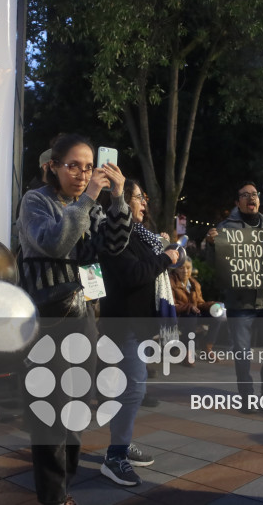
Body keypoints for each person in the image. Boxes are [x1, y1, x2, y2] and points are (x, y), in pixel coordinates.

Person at [17, 133, 130, 505]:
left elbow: (113, 246)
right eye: (73, 166)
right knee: (50, 410)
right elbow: (54, 243)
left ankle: (63, 484)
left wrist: (118, 197)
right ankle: (53, 496)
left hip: (82, 317)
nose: (82, 174)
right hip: (47, 320)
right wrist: (88, 200)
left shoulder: (91, 204)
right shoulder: (36, 201)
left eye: (88, 166)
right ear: (53, 166)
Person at [98, 179, 178, 486]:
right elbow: (133, 274)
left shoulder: (143, 235)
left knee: (126, 389)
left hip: (139, 322)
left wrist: (169, 255)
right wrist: (165, 259)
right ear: (120, 201)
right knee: (134, 389)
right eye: (138, 197)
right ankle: (115, 456)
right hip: (122, 323)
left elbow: (151, 267)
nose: (144, 203)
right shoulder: (115, 233)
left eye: (144, 198)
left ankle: (122, 441)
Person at [205, 181, 263, 414]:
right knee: (242, 352)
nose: (252, 198)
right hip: (239, 302)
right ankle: (247, 396)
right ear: (237, 202)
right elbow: (214, 266)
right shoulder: (225, 228)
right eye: (246, 195)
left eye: (255, 194)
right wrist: (211, 245)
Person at [169, 255, 221, 354]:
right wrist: (189, 306)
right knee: (191, 316)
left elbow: (200, 303)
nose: (185, 271)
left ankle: (207, 346)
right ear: (175, 269)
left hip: (193, 314)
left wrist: (213, 305)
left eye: (188, 268)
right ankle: (188, 351)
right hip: (178, 316)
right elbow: (171, 306)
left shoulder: (194, 283)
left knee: (216, 315)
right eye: (181, 268)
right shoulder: (170, 282)